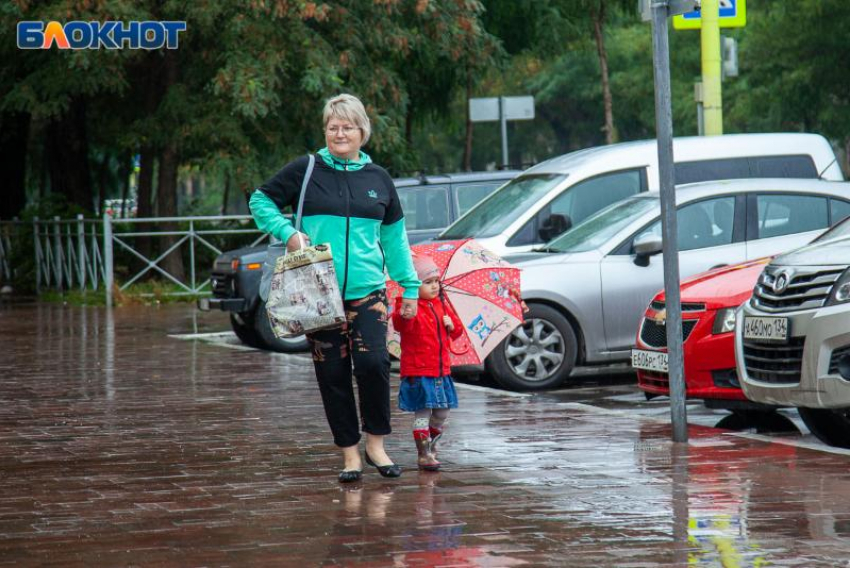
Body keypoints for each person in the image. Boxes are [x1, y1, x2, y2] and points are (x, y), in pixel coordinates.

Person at [249, 93, 421, 483]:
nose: (340, 133)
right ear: (325, 130)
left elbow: (395, 240)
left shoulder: (378, 179)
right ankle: (349, 454)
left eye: (347, 126)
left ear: (363, 131)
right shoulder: (307, 169)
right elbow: (261, 200)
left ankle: (376, 445)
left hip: (368, 290)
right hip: (317, 291)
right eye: (333, 126)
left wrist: (409, 288)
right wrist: (288, 232)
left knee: (374, 365)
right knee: (333, 373)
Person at [391, 254, 463, 471]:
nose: (434, 287)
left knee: (442, 412)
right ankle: (423, 454)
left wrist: (452, 326)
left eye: (436, 282)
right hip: (419, 370)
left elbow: (458, 331)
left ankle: (431, 446)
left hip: (441, 371)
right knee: (422, 412)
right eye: (428, 282)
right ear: (415, 284)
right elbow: (402, 326)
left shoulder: (442, 304)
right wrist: (405, 314)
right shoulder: (408, 305)